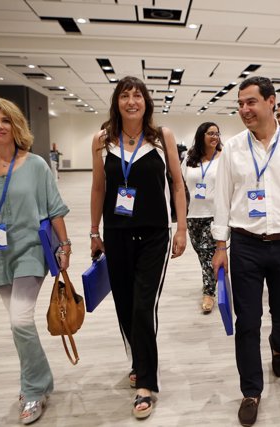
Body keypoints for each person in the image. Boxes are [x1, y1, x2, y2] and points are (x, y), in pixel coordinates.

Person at [0, 97, 71, 425]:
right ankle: (37, 379)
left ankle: (33, 389)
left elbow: (55, 208)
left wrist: (65, 246)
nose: (0, 126)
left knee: (20, 320)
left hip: (31, 252)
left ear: (16, 125)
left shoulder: (35, 165)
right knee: (19, 325)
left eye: (5, 120)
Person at [212, 76, 280, 426]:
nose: (244, 109)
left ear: (271, 102)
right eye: (240, 103)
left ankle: (278, 344)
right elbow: (222, 199)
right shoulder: (232, 148)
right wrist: (219, 246)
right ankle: (251, 391)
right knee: (247, 321)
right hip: (245, 244)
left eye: (251, 102)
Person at [89, 76, 187, 419]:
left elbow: (177, 184)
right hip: (115, 233)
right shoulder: (102, 141)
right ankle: (138, 360)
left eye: (138, 96)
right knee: (126, 307)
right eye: (125, 96)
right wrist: (93, 232)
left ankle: (146, 382)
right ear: (117, 102)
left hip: (155, 235)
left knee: (144, 307)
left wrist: (182, 228)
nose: (132, 101)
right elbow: (99, 189)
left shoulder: (162, 138)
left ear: (146, 102)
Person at [181, 122, 222, 314]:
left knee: (207, 253)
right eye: (210, 133)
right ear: (201, 136)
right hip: (193, 215)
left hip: (214, 215)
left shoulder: (223, 158)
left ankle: (209, 293)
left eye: (217, 134)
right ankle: (216, 277)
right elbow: (180, 187)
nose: (215, 137)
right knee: (202, 253)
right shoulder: (190, 159)